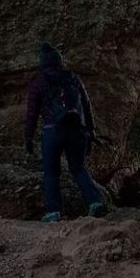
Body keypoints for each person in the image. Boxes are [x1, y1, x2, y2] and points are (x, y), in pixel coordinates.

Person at [25, 42, 107, 222]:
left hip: (51, 131)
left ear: (42, 62)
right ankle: (95, 203)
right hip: (77, 130)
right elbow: (86, 105)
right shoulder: (72, 78)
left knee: (51, 173)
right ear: (59, 61)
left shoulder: (38, 81)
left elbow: (32, 112)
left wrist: (28, 137)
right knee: (78, 168)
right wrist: (91, 131)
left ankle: (53, 212)